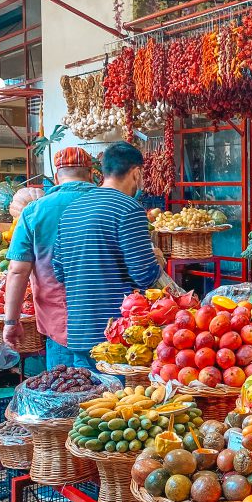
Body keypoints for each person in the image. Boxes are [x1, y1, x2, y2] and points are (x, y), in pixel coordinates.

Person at [52, 142, 163, 365]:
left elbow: (59, 271)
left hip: (79, 333)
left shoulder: (72, 211)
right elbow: (145, 276)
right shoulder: (128, 209)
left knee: (87, 398)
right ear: (137, 173)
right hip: (117, 338)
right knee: (118, 400)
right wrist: (157, 260)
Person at [4, 147, 95, 369]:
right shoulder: (111, 206)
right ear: (91, 174)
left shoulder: (34, 210)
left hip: (58, 323)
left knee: (63, 393)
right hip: (106, 324)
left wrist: (11, 321)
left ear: (56, 177)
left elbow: (17, 270)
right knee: (109, 400)